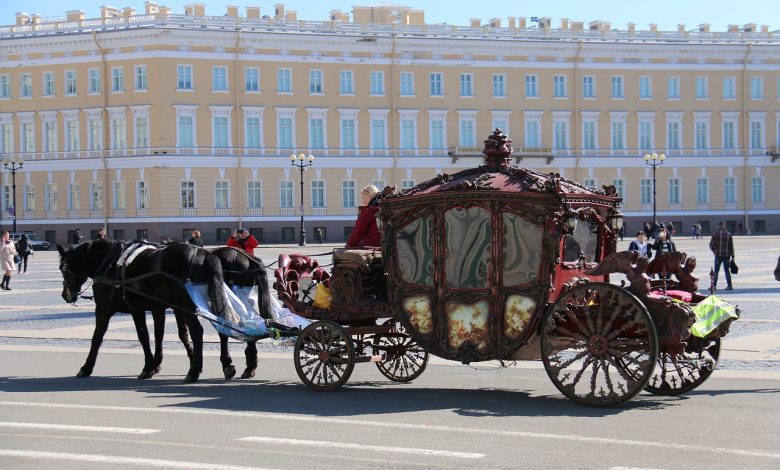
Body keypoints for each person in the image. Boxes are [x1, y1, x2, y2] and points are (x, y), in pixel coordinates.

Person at [709, 222, 735, 291]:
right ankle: (729, 285)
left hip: (718, 255)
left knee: (716, 271)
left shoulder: (715, 234)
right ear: (724, 226)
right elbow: (731, 246)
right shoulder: (728, 234)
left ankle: (714, 286)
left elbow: (711, 245)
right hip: (726, 255)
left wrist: (715, 251)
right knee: (727, 271)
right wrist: (733, 256)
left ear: (718, 226)